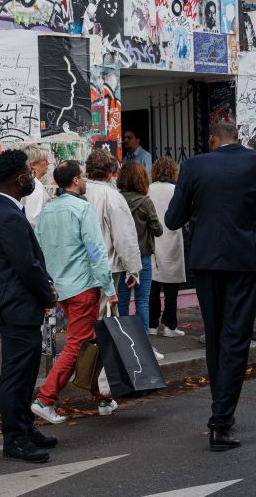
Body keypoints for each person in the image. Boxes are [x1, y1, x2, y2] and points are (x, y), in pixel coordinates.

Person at [164, 122, 256, 452]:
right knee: (236, 337)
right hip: (246, 259)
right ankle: (221, 420)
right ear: (238, 137)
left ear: (212, 140)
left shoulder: (194, 165)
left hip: (206, 260)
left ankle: (221, 412)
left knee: (216, 334)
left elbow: (173, 219)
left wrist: (201, 208)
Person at [31, 160, 118, 425]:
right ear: (76, 181)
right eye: (83, 176)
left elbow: (40, 251)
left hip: (61, 288)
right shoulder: (83, 208)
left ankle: (102, 398)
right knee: (78, 344)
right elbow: (95, 250)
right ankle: (45, 399)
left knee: (90, 341)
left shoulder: (47, 211)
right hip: (83, 286)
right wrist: (109, 287)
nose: (85, 180)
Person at [0, 149, 58, 463]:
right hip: (17, 306)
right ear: (20, 179)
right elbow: (26, 266)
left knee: (26, 373)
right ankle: (14, 438)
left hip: (17, 306)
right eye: (30, 172)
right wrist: (47, 294)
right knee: (16, 376)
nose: (33, 177)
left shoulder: (6, 210)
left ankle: (25, 427)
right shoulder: (9, 216)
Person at [117, 162, 165, 360]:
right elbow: (158, 230)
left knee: (122, 301)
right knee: (142, 301)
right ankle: (144, 346)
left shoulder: (117, 199)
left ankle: (122, 344)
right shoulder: (145, 202)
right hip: (142, 256)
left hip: (121, 258)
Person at [83, 148, 142, 300]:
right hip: (105, 266)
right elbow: (124, 237)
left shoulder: (78, 192)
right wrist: (133, 269)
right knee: (103, 310)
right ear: (110, 173)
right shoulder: (113, 197)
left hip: (78, 267)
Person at [149, 156, 187, 338]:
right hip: (172, 238)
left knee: (153, 284)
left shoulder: (148, 189)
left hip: (153, 238)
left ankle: (152, 324)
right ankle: (170, 326)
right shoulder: (176, 190)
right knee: (172, 286)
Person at [20, 144, 51, 228]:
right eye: (44, 160)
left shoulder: (25, 183)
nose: (48, 163)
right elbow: (33, 221)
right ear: (33, 164)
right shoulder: (35, 186)